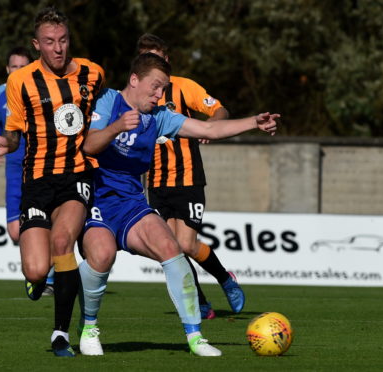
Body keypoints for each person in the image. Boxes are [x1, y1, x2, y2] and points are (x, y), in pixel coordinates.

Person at [77, 53, 277, 357]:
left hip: (132, 204)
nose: (160, 95)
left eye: (164, 88)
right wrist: (117, 126)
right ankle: (88, 327)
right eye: (156, 87)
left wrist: (253, 122)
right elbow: (89, 146)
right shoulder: (107, 101)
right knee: (102, 255)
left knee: (172, 249)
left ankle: (196, 337)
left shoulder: (158, 117)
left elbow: (208, 130)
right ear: (134, 80)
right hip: (96, 200)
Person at [0, 6, 105, 357]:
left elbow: (107, 111)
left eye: (63, 40)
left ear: (70, 39)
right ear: (37, 44)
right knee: (37, 270)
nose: (58, 48)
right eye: (50, 42)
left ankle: (61, 334)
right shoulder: (19, 82)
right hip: (36, 180)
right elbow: (13, 137)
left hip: (76, 175)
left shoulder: (92, 73)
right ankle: (37, 280)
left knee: (63, 241)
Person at [137, 33, 245, 319]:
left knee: (186, 244)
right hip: (157, 183)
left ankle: (225, 279)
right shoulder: (136, 96)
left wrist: (212, 124)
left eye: (157, 58)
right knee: (170, 249)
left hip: (188, 180)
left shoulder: (184, 88)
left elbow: (220, 109)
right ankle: (201, 302)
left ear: (167, 60)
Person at [0, 47, 55, 295]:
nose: (18, 71)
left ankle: (46, 277)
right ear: (7, 70)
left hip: (39, 161)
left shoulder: (41, 91)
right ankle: (35, 268)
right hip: (15, 162)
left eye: (23, 67)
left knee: (47, 219)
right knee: (15, 230)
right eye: (14, 67)